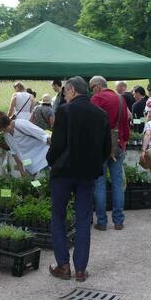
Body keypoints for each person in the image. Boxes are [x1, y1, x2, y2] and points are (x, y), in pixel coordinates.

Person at [46, 77, 111, 282]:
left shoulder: (64, 111)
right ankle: (81, 269)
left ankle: (63, 265)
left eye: (65, 92)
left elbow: (56, 145)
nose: (64, 95)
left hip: (63, 172)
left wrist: (51, 161)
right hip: (87, 173)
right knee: (83, 219)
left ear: (72, 91)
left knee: (58, 216)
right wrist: (94, 164)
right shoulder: (100, 114)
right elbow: (106, 148)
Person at [89, 76, 129, 231]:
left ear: (97, 86)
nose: (92, 91)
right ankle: (118, 221)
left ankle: (102, 222)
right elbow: (126, 122)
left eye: (92, 88)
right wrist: (124, 141)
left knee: (99, 184)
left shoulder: (97, 98)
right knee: (117, 184)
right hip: (118, 144)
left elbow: (91, 124)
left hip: (100, 146)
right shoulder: (120, 99)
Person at [0, 111, 50, 177]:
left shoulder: (20, 124)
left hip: (44, 161)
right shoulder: (6, 135)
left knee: (42, 182)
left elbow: (45, 136)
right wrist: (21, 171)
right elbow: (15, 153)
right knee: (34, 183)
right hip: (31, 166)